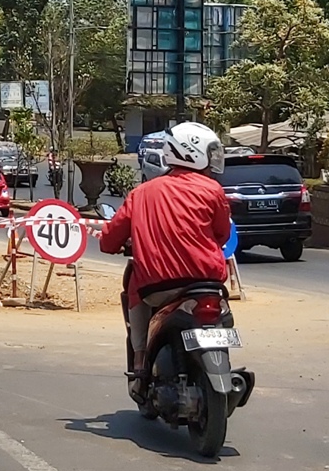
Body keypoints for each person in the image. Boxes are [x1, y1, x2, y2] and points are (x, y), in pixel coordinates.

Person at [98, 122, 231, 395]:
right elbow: (222, 233)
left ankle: (139, 363)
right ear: (194, 153)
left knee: (134, 289)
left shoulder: (141, 193)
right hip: (209, 285)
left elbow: (109, 240)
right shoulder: (213, 190)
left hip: (158, 290)